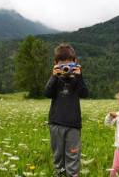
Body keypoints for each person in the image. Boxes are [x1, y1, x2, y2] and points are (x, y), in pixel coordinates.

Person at [45, 43, 89, 177]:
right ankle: (60, 174)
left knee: (73, 154)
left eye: (68, 65)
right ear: (56, 65)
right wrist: (53, 77)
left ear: (75, 64)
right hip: (56, 123)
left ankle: (72, 175)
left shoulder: (76, 80)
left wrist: (79, 76)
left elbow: (84, 93)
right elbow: (47, 93)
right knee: (58, 154)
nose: (65, 68)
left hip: (73, 125)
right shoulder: (56, 80)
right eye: (62, 65)